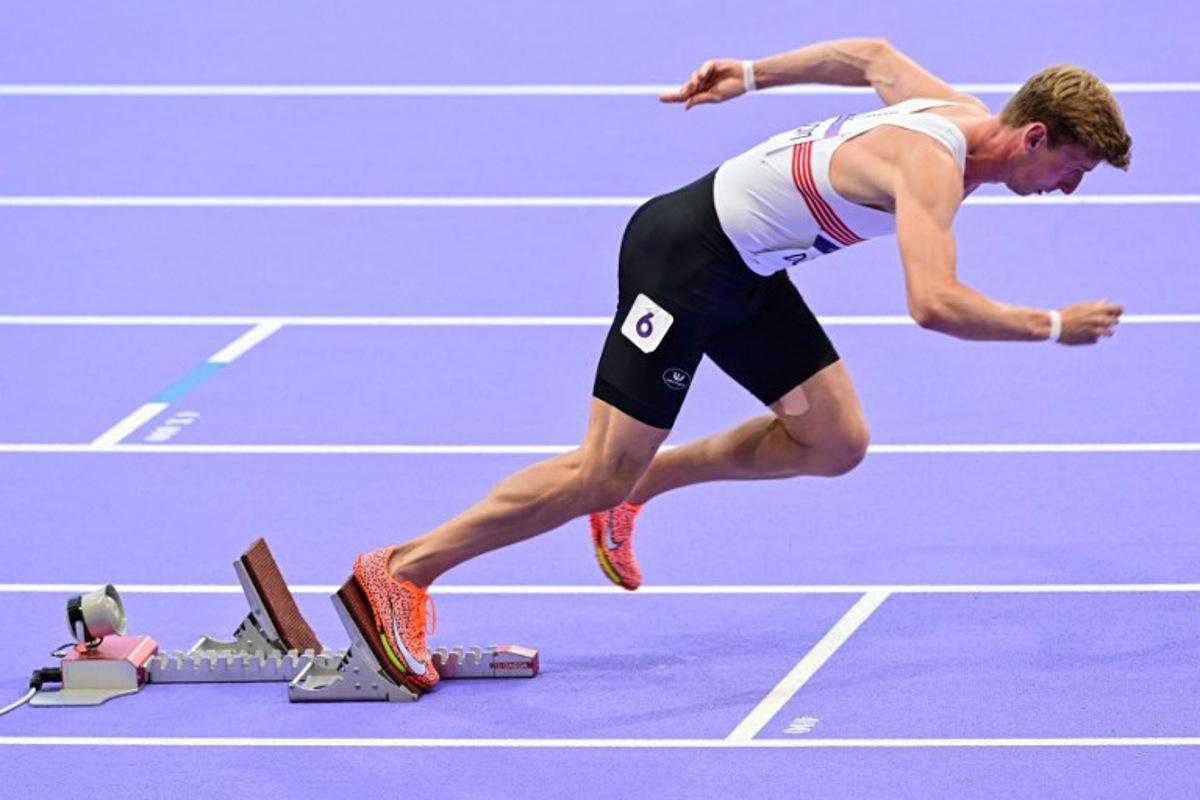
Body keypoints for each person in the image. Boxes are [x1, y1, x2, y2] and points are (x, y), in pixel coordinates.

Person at [349, 38, 1132, 693]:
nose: (1067, 189)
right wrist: (1052, 325)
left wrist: (752, 76)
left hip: (749, 269)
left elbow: (871, 56)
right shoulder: (934, 165)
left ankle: (637, 489)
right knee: (597, 469)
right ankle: (402, 570)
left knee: (834, 442)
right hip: (684, 261)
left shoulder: (957, 111)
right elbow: (933, 303)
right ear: (1033, 136)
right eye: (1073, 168)